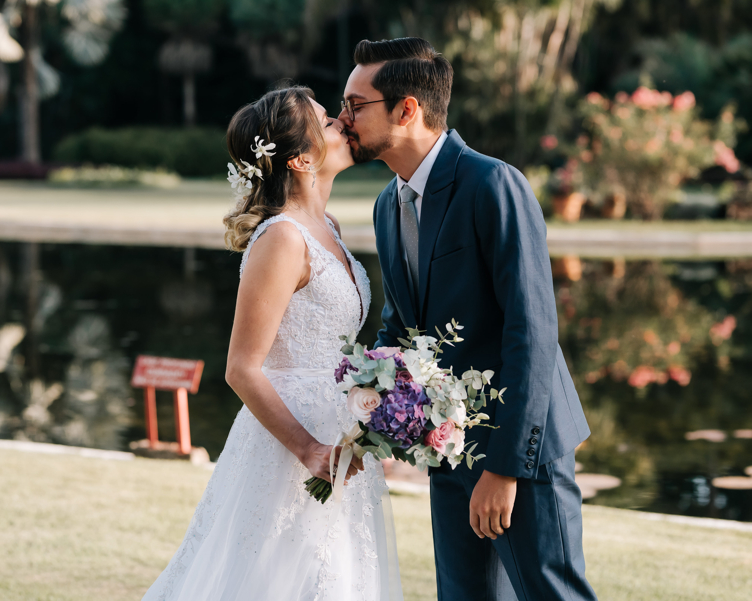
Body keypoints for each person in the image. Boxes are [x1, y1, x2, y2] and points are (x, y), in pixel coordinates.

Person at [338, 38, 597, 601]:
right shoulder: (389, 202)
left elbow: (531, 332)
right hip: (447, 447)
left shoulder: (493, 184)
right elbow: (402, 326)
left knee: (553, 593)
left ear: (407, 109)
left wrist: (506, 469)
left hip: (522, 448)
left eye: (356, 106)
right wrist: (359, 416)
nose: (342, 120)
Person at [142, 86, 403, 600]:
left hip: (339, 435)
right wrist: (308, 450)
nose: (344, 123)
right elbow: (241, 367)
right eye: (328, 122)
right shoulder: (282, 237)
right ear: (302, 158)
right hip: (292, 443)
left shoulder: (327, 226)